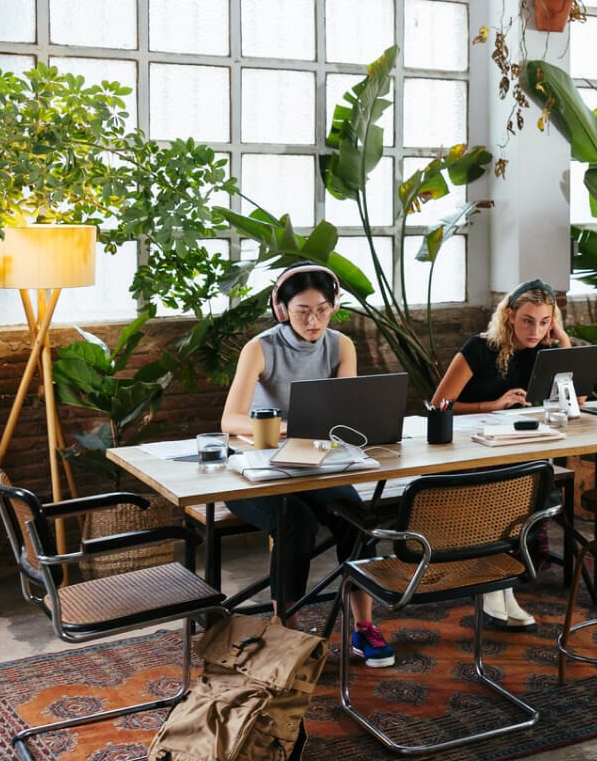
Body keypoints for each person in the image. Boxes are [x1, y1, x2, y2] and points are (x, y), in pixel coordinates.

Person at [221, 263, 396, 667]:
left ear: (334, 306)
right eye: (301, 310)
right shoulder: (260, 348)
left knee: (356, 517)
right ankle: (288, 633)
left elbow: (346, 411)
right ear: (281, 309)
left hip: (314, 464)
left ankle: (363, 628)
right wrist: (283, 427)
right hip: (255, 468)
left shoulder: (341, 346)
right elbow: (230, 419)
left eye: (322, 308)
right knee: (294, 522)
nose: (313, 320)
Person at [430, 278, 570, 630]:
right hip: (471, 451)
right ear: (509, 315)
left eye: (544, 321)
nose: (535, 330)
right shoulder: (479, 348)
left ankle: (502, 587)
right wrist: (491, 405)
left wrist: (564, 342)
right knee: (510, 484)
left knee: (529, 481)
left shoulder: (545, 349)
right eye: (527, 320)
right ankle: (497, 587)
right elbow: (439, 404)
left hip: (517, 448)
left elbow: (577, 402)